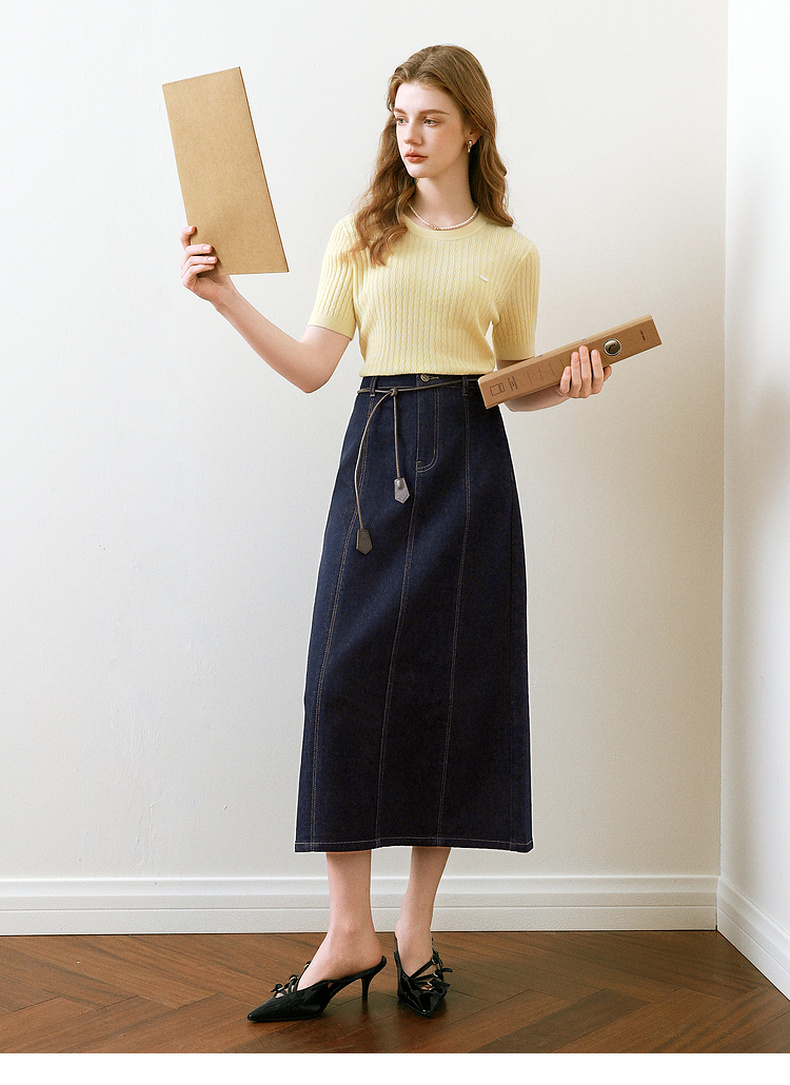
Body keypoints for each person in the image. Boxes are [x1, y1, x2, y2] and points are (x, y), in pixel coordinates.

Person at [180, 44, 610, 1022]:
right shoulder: (362, 235)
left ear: (472, 129)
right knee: (343, 686)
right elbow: (311, 367)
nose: (410, 135)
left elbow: (512, 385)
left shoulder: (511, 252)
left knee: (447, 692)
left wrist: (569, 384)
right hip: (378, 463)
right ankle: (348, 932)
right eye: (400, 117)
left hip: (471, 469)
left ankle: (414, 931)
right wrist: (225, 296)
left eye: (430, 118)